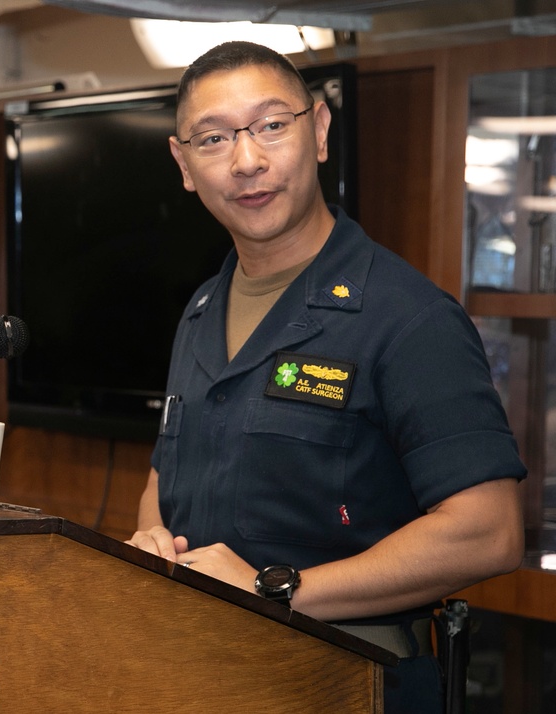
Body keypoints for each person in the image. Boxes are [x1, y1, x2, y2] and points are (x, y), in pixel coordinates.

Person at [125, 41, 526, 714]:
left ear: (318, 131)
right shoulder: (199, 312)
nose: (247, 161)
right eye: (214, 138)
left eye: (271, 126)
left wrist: (277, 589)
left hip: (350, 682)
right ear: (183, 164)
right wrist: (152, 542)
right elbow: (166, 476)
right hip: (200, 672)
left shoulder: (408, 318)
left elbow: (488, 529)